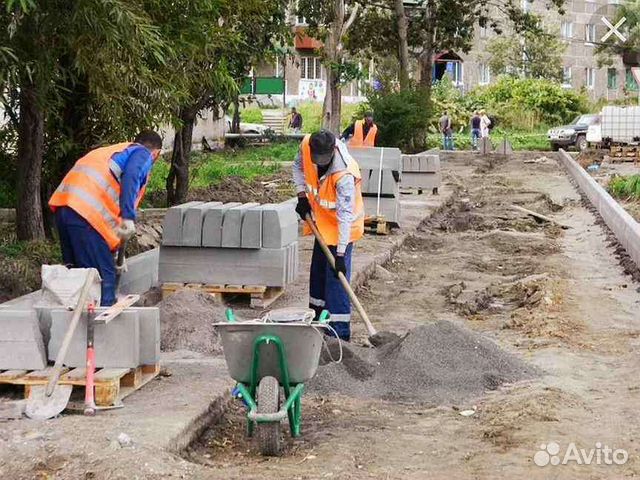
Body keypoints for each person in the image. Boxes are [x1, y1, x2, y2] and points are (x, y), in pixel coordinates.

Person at [49, 130, 163, 307]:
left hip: (65, 210)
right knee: (103, 278)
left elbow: (106, 208)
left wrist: (115, 250)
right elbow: (132, 176)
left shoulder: (113, 152)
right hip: (85, 216)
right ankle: (104, 328)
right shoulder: (141, 153)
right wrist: (128, 217)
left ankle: (77, 327)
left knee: (80, 277)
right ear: (157, 153)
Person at [292, 130, 365, 341]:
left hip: (344, 228)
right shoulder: (307, 144)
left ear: (333, 150)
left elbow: (345, 216)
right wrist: (301, 196)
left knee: (336, 281)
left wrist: (341, 254)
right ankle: (317, 325)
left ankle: (339, 335)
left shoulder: (345, 175)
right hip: (322, 224)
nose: (320, 164)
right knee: (318, 276)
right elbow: (297, 166)